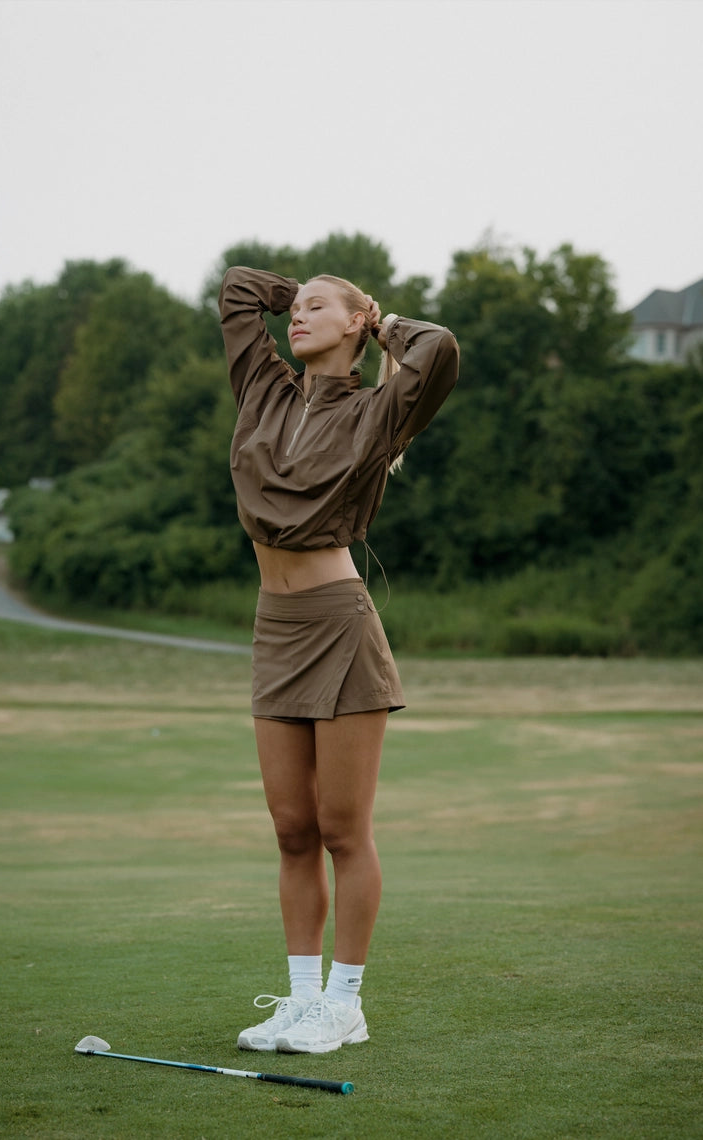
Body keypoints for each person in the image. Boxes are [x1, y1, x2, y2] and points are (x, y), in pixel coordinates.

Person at [218, 265, 459, 1054]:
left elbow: (439, 347)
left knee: (342, 829)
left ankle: (345, 1004)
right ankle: (300, 1001)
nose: (299, 317)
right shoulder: (263, 389)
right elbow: (236, 291)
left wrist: (380, 325)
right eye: (298, 308)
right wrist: (297, 295)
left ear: (357, 324)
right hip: (273, 627)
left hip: (339, 624)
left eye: (322, 307)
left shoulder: (378, 409)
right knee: (291, 830)